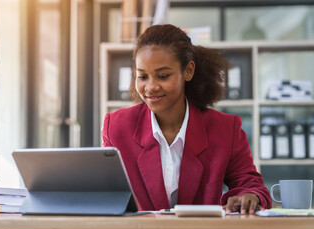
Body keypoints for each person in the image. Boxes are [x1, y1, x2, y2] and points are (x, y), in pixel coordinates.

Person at [102, 24, 271, 214]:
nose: (150, 87)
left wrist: (250, 196)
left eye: (163, 76)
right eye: (142, 76)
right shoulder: (116, 128)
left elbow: (252, 185)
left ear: (188, 71)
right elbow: (107, 194)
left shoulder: (225, 129)